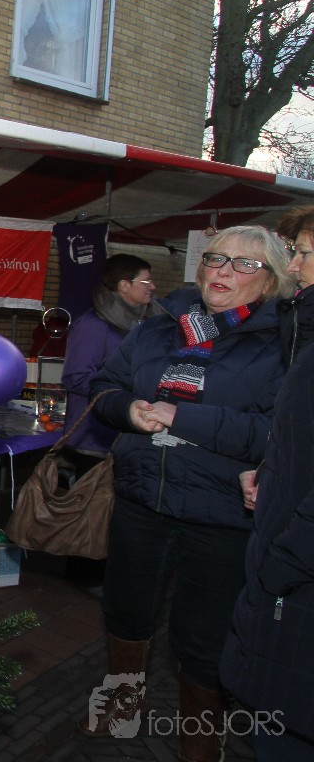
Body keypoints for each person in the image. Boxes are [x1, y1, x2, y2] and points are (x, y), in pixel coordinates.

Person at [78, 225, 293, 762]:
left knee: (203, 637)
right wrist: (127, 410)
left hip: (221, 514)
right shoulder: (156, 329)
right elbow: (103, 386)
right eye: (216, 258)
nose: (223, 271)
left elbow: (279, 434)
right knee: (126, 612)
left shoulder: (282, 344)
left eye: (244, 264)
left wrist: (184, 418)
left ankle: (202, 738)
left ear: (270, 281)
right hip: (140, 498)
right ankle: (122, 706)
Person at [221, 205, 314, 761]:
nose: (296, 266)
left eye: (303, 253)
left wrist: (285, 560)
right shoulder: (302, 333)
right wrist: (276, 471)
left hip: (294, 573)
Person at [60, 253, 163, 474]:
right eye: (146, 281)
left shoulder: (147, 324)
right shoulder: (93, 325)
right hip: (95, 439)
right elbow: (76, 377)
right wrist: (123, 394)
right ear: (124, 286)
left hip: (129, 435)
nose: (153, 286)